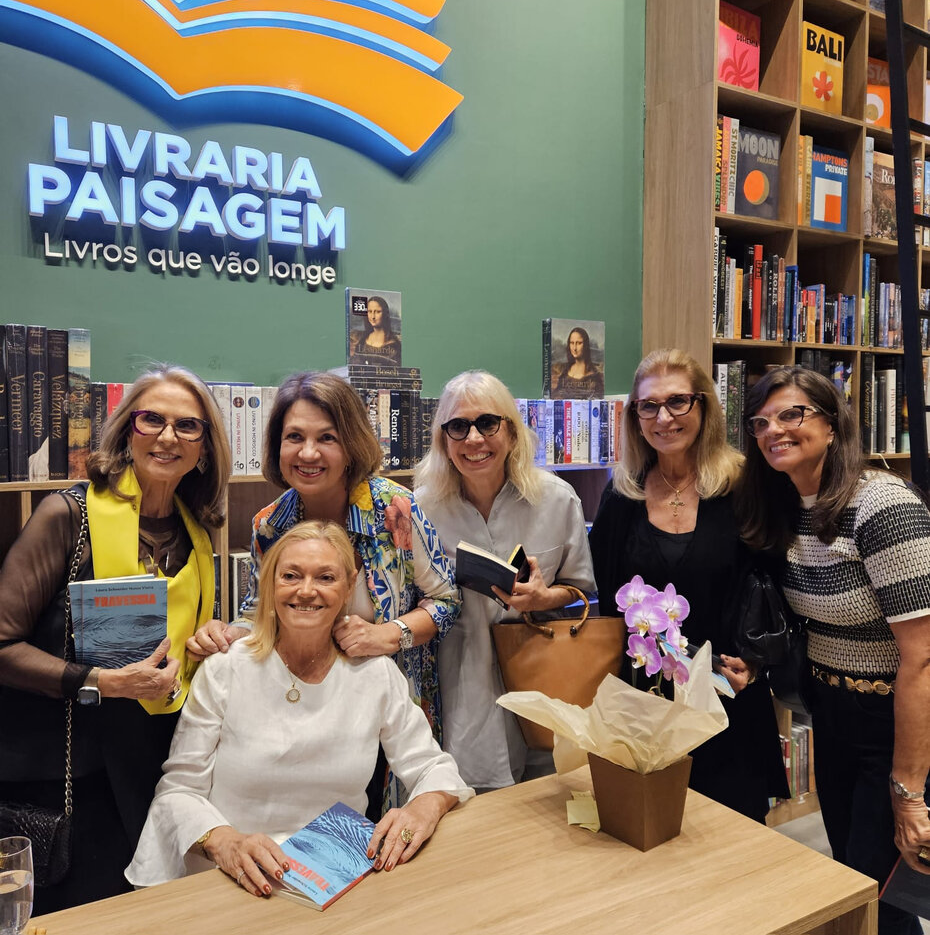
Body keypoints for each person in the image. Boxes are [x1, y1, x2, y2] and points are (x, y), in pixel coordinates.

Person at [127, 521, 472, 891]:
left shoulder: (375, 675)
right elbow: (179, 790)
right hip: (229, 877)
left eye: (325, 578)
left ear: (349, 586)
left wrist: (424, 807)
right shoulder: (226, 669)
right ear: (270, 583)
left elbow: (433, 767)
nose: (306, 591)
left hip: (333, 879)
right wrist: (225, 842)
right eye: (291, 575)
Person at [0, 364, 230, 913]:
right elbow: (2, 646)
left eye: (188, 426)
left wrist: (208, 638)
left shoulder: (198, 533)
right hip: (71, 781)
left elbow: (181, 643)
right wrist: (101, 681)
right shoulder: (66, 516)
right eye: (153, 420)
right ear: (129, 428)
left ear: (205, 446)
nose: (168, 437)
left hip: (159, 770)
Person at [736, 365, 930, 935]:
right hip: (832, 713)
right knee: (855, 875)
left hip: (897, 717)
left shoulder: (883, 507)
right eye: (761, 421)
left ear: (832, 424)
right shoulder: (788, 506)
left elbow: (922, 656)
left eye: (792, 414)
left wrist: (909, 788)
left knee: (888, 887)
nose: (775, 430)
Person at [187, 372, 459, 751]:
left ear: (350, 446)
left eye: (327, 438)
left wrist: (388, 634)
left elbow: (447, 601)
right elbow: (257, 614)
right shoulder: (269, 525)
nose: (308, 453)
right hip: (302, 712)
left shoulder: (395, 510)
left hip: (391, 716)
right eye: (294, 437)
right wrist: (229, 633)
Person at [588, 348, 788, 823]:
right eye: (649, 405)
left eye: (678, 402)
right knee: (649, 839)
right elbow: (605, 596)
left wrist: (758, 664)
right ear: (635, 416)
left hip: (728, 697)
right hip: (646, 701)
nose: (664, 417)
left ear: (704, 407)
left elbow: (777, 588)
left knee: (732, 848)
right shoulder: (621, 495)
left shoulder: (744, 486)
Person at [414, 370, 594, 792]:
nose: (474, 439)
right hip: (459, 691)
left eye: (487, 423)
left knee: (548, 813)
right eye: (458, 427)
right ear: (444, 440)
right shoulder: (420, 508)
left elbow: (585, 593)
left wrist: (546, 596)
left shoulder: (557, 499)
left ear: (511, 433)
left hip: (546, 682)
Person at [552, 326, 604, 398]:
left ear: (585, 344)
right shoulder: (565, 371)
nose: (574, 348)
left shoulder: (593, 378)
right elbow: (556, 394)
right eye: (572, 343)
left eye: (579, 343)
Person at [349, 295, 401, 365]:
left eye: (377, 312)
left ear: (385, 314)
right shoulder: (362, 339)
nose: (373, 316)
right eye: (370, 311)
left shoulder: (394, 346)